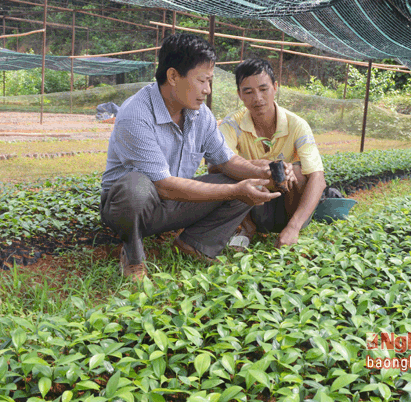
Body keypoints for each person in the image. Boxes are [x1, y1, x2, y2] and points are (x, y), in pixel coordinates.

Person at [100, 34, 280, 281]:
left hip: (175, 203)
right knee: (136, 188)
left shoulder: (200, 114)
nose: (207, 90)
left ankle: (196, 244)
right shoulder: (136, 114)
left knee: (245, 180)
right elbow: (163, 186)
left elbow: (226, 160)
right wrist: (236, 190)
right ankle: (133, 256)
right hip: (134, 208)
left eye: (210, 81)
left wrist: (261, 172)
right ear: (173, 76)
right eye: (202, 80)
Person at [212, 58, 326, 248]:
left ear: (275, 87)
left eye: (263, 89)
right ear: (240, 95)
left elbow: (318, 178)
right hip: (252, 204)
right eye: (248, 92)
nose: (257, 98)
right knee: (219, 169)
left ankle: (288, 229)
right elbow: (216, 166)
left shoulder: (297, 125)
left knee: (297, 173)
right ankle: (247, 227)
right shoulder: (232, 124)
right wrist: (259, 168)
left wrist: (294, 227)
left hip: (289, 204)